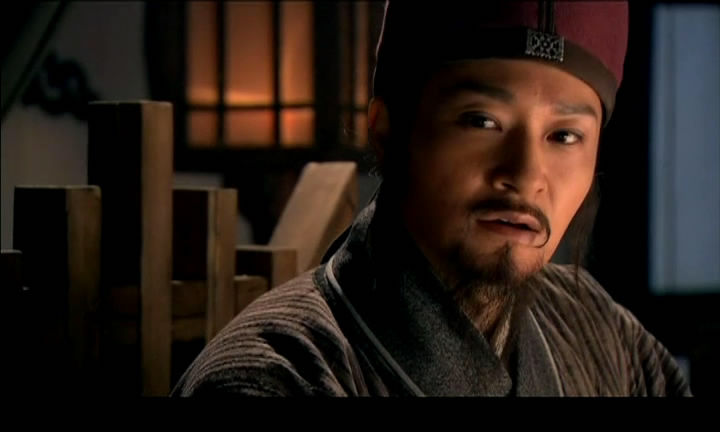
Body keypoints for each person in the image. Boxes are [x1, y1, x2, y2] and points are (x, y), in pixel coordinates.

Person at [171, 1, 692, 397]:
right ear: (387, 130)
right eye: (482, 121)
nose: (526, 176)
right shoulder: (275, 378)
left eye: (565, 136)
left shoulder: (597, 331)